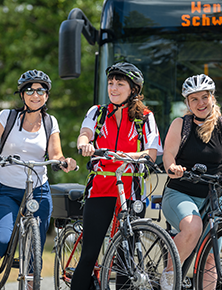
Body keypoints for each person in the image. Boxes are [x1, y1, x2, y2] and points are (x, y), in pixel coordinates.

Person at [161, 74, 222, 290]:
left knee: (211, 255)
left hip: (212, 196)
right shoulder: (181, 124)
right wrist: (172, 168)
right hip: (180, 193)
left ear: (212, 98)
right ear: (187, 103)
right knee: (193, 226)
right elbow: (168, 153)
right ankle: (169, 275)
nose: (200, 103)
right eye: (194, 99)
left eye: (204, 97)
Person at [72, 62, 163, 290]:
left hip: (130, 192)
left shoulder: (145, 117)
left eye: (119, 84)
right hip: (100, 188)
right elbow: (84, 134)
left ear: (133, 89)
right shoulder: (98, 112)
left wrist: (126, 155)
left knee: (126, 258)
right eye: (111, 83)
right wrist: (85, 144)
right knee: (90, 254)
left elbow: (151, 154)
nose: (113, 88)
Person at [0, 69, 77, 277]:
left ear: (46, 95)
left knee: (36, 244)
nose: (35, 94)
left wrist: (65, 162)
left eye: (40, 90)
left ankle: (30, 284)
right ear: (22, 95)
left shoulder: (50, 122)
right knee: (1, 239)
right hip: (7, 189)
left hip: (38, 190)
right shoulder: (6, 117)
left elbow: (56, 154)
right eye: (30, 90)